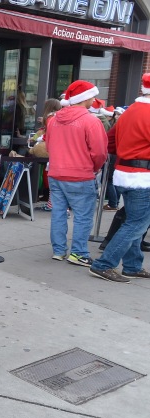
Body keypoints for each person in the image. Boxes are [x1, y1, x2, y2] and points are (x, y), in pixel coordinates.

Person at [88, 73, 150, 283]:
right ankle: (104, 264)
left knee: (134, 221)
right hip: (142, 176)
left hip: (125, 173)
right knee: (137, 224)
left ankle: (132, 266)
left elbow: (110, 141)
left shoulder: (131, 110)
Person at [45, 80, 108, 267]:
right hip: (80, 175)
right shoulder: (91, 121)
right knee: (83, 216)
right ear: (86, 98)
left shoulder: (54, 120)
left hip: (56, 173)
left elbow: (49, 146)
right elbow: (99, 152)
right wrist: (95, 167)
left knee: (58, 213)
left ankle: (58, 250)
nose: (94, 99)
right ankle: (79, 253)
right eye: (92, 96)